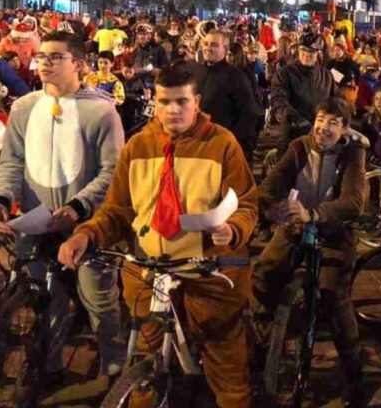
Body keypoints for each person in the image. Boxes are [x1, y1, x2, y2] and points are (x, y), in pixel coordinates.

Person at [58, 65, 258, 408]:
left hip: (209, 277)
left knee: (227, 370)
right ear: (154, 101)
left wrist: (233, 228)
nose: (172, 109)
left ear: (196, 101)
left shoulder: (222, 143)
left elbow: (246, 204)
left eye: (182, 101)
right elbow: (117, 210)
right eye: (165, 101)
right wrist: (87, 234)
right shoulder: (137, 146)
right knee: (146, 365)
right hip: (147, 275)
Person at [0, 31, 125, 378]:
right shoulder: (24, 108)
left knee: (99, 300)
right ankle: (47, 370)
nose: (45, 63)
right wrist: (4, 198)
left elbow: (113, 170)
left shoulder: (101, 111)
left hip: (86, 226)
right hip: (35, 224)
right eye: (42, 56)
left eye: (56, 57)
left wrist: (80, 206)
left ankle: (114, 370)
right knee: (44, 298)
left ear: (79, 65)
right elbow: (12, 162)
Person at [253, 98, 367, 407]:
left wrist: (314, 214)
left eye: (333, 122)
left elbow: (354, 201)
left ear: (344, 129)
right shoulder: (299, 147)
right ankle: (266, 343)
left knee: (334, 299)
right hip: (295, 225)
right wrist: (277, 212)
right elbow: (271, 186)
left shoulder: (353, 154)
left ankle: (355, 379)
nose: (323, 127)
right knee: (263, 273)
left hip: (335, 232)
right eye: (320, 119)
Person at [191, 30, 263, 160]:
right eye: (205, 44)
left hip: (223, 147)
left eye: (214, 45)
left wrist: (231, 142)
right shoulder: (195, 73)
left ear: (224, 49)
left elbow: (248, 114)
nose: (208, 48)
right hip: (196, 146)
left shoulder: (236, 77)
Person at [270, 31, 337, 158]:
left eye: (311, 52)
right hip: (292, 133)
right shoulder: (285, 73)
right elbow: (278, 100)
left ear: (318, 53)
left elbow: (335, 102)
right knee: (286, 167)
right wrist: (296, 120)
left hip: (319, 134)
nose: (306, 55)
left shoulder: (326, 76)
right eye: (303, 50)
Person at [327, 35, 361, 110]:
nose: (336, 53)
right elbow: (326, 72)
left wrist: (357, 84)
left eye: (338, 50)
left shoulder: (349, 62)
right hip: (334, 89)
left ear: (343, 51)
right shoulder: (331, 63)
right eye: (335, 51)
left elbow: (357, 72)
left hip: (346, 89)